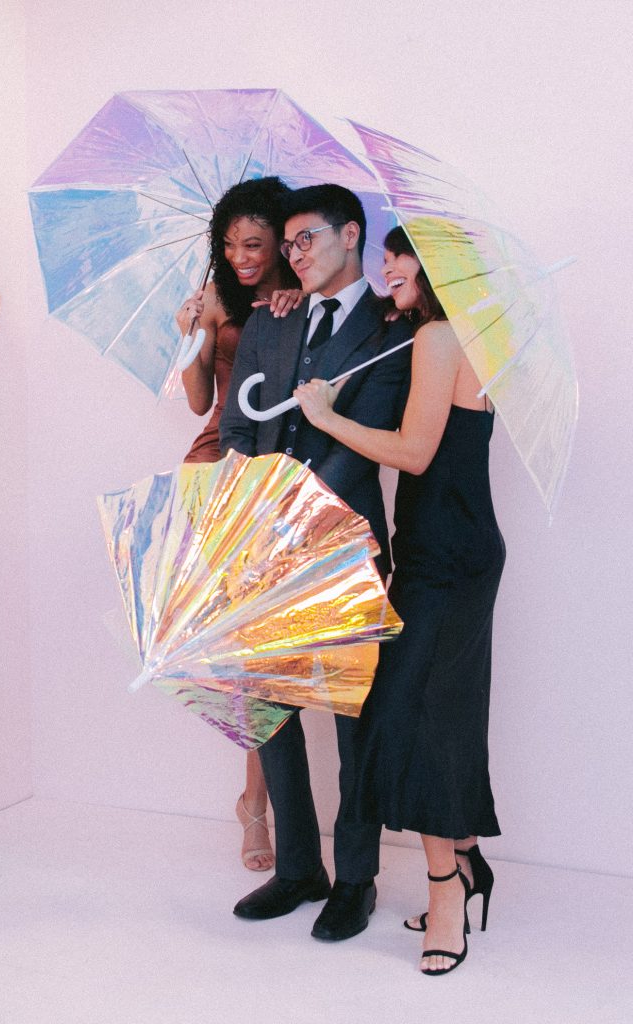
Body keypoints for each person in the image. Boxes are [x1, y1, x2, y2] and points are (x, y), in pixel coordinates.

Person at [294, 225, 504, 975]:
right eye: (383, 256)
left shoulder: (439, 339)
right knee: (421, 716)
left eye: (398, 256)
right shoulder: (460, 334)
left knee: (422, 723)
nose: (386, 268)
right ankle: (469, 861)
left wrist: (325, 417)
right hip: (445, 554)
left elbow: (414, 453)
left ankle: (446, 888)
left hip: (448, 560)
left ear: (436, 266)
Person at [220, 184, 411, 940]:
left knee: (352, 720)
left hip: (341, 547)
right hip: (260, 550)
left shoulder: (391, 327)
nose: (293, 254)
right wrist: (248, 516)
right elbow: (239, 421)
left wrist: (287, 516)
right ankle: (299, 866)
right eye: (288, 243)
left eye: (306, 240)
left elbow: (362, 438)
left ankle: (356, 879)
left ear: (351, 234)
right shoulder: (274, 317)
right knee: (269, 710)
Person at [175, 177, 302, 872]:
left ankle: (261, 801)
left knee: (276, 652)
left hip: (281, 480)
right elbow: (200, 401)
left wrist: (295, 308)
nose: (241, 255)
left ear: (282, 239)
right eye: (229, 244)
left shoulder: (300, 298)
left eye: (254, 243)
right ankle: (256, 805)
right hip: (218, 474)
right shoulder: (220, 299)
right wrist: (198, 332)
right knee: (251, 654)